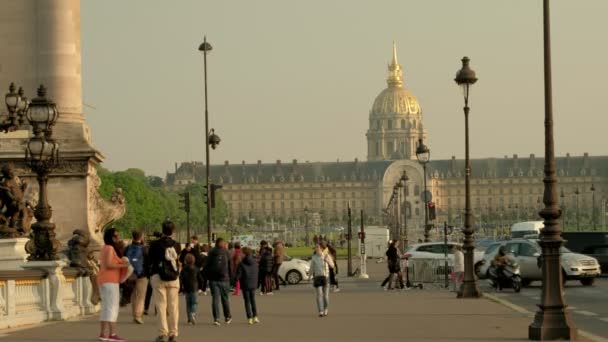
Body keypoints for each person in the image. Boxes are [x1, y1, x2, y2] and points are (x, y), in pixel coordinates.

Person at [146, 220, 181, 342]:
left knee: (161, 306)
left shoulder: (155, 245)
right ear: (173, 230)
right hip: (173, 278)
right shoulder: (176, 245)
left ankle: (162, 333)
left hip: (158, 276)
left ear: (162, 230)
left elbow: (149, 260)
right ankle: (173, 333)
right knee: (173, 306)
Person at [97, 227, 129, 342]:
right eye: (115, 236)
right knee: (112, 307)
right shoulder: (110, 248)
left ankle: (102, 333)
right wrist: (123, 266)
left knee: (106, 307)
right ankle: (112, 333)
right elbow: (109, 264)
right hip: (111, 280)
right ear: (110, 237)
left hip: (104, 280)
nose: (117, 238)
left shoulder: (104, 248)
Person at [204, 237, 232, 326]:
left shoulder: (211, 252)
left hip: (213, 279)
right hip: (224, 279)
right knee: (225, 298)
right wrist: (231, 278)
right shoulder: (227, 252)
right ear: (223, 244)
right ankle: (227, 316)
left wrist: (208, 277)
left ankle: (216, 318)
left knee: (215, 299)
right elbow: (230, 266)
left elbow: (207, 266)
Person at [124, 230, 148, 324]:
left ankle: (134, 313)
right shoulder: (145, 248)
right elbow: (147, 261)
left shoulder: (127, 248)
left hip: (130, 273)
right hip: (142, 274)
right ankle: (138, 315)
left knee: (134, 295)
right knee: (141, 296)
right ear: (141, 237)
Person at [235, 247, 260, 325]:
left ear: (244, 254)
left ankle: (249, 318)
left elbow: (238, 276)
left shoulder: (241, 264)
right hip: (253, 283)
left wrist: (234, 279)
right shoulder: (255, 262)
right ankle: (255, 316)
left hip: (245, 284)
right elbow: (257, 273)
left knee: (247, 301)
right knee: (253, 300)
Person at [310, 244, 335, 317]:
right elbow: (312, 267)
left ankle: (326, 309)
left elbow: (332, 265)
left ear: (321, 249)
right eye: (315, 247)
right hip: (317, 278)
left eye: (318, 247)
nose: (316, 249)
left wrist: (327, 260)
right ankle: (320, 311)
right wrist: (309, 276)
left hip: (325, 277)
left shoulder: (326, 256)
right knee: (319, 294)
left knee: (325, 296)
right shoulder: (314, 257)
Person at [180, 253, 204, 325]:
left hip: (186, 288)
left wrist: (181, 288)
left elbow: (181, 279)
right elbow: (201, 279)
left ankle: (189, 319)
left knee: (188, 303)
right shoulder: (196, 269)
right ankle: (193, 313)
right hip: (194, 288)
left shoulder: (183, 269)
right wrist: (201, 287)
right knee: (194, 302)